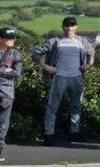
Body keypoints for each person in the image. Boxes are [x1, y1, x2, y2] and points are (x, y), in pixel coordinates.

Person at [31, 16, 95, 145]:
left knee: (76, 107)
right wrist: (46, 67)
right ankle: (49, 135)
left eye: (72, 25)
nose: (69, 28)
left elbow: (92, 53)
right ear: (63, 27)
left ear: (76, 27)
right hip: (59, 77)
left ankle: (74, 133)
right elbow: (35, 53)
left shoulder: (82, 41)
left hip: (77, 77)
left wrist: (89, 65)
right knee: (52, 107)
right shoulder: (54, 41)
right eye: (67, 25)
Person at [0, 28, 22, 162]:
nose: (12, 40)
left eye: (13, 37)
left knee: (2, 124)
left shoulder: (15, 53)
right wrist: (5, 69)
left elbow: (17, 72)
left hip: (6, 95)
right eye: (9, 38)